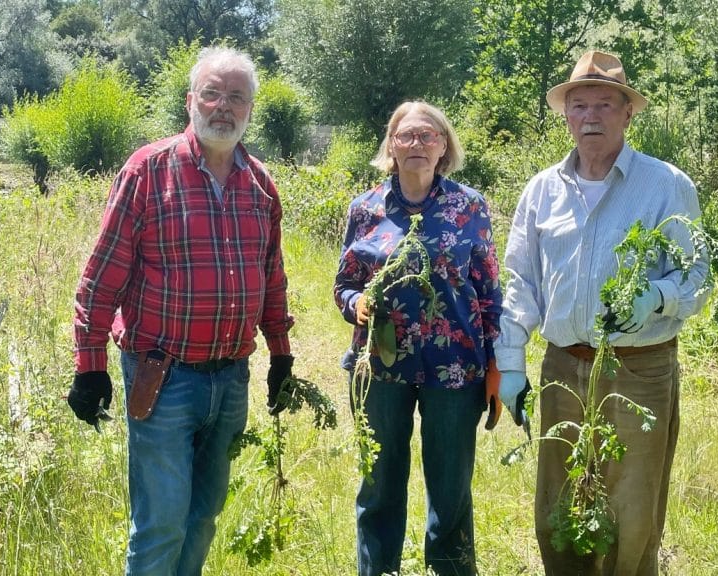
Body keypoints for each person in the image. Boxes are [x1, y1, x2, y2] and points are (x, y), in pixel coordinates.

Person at [66, 46, 295, 576]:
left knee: (204, 516)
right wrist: (89, 366)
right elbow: (100, 279)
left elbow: (273, 279)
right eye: (212, 93)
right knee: (161, 522)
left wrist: (281, 356)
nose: (223, 107)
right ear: (191, 100)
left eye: (236, 97)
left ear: (250, 110)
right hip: (162, 378)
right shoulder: (148, 170)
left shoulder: (260, 184)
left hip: (231, 379)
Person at [496, 50, 710, 575]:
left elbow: (697, 277)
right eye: (580, 105)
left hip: (639, 369)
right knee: (560, 502)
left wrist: (656, 296)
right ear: (566, 115)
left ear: (628, 112)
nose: (591, 116)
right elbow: (521, 278)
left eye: (605, 104)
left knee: (632, 509)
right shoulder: (543, 189)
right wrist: (511, 357)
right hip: (563, 366)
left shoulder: (666, 185)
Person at [334, 101, 502, 576]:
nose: (416, 144)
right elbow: (343, 283)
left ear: (444, 147)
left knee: (450, 493)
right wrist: (356, 304)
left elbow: (489, 290)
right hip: (380, 369)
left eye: (428, 136)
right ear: (390, 144)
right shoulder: (365, 209)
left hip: (457, 369)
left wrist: (495, 367)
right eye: (406, 136)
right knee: (380, 488)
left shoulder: (469, 206)